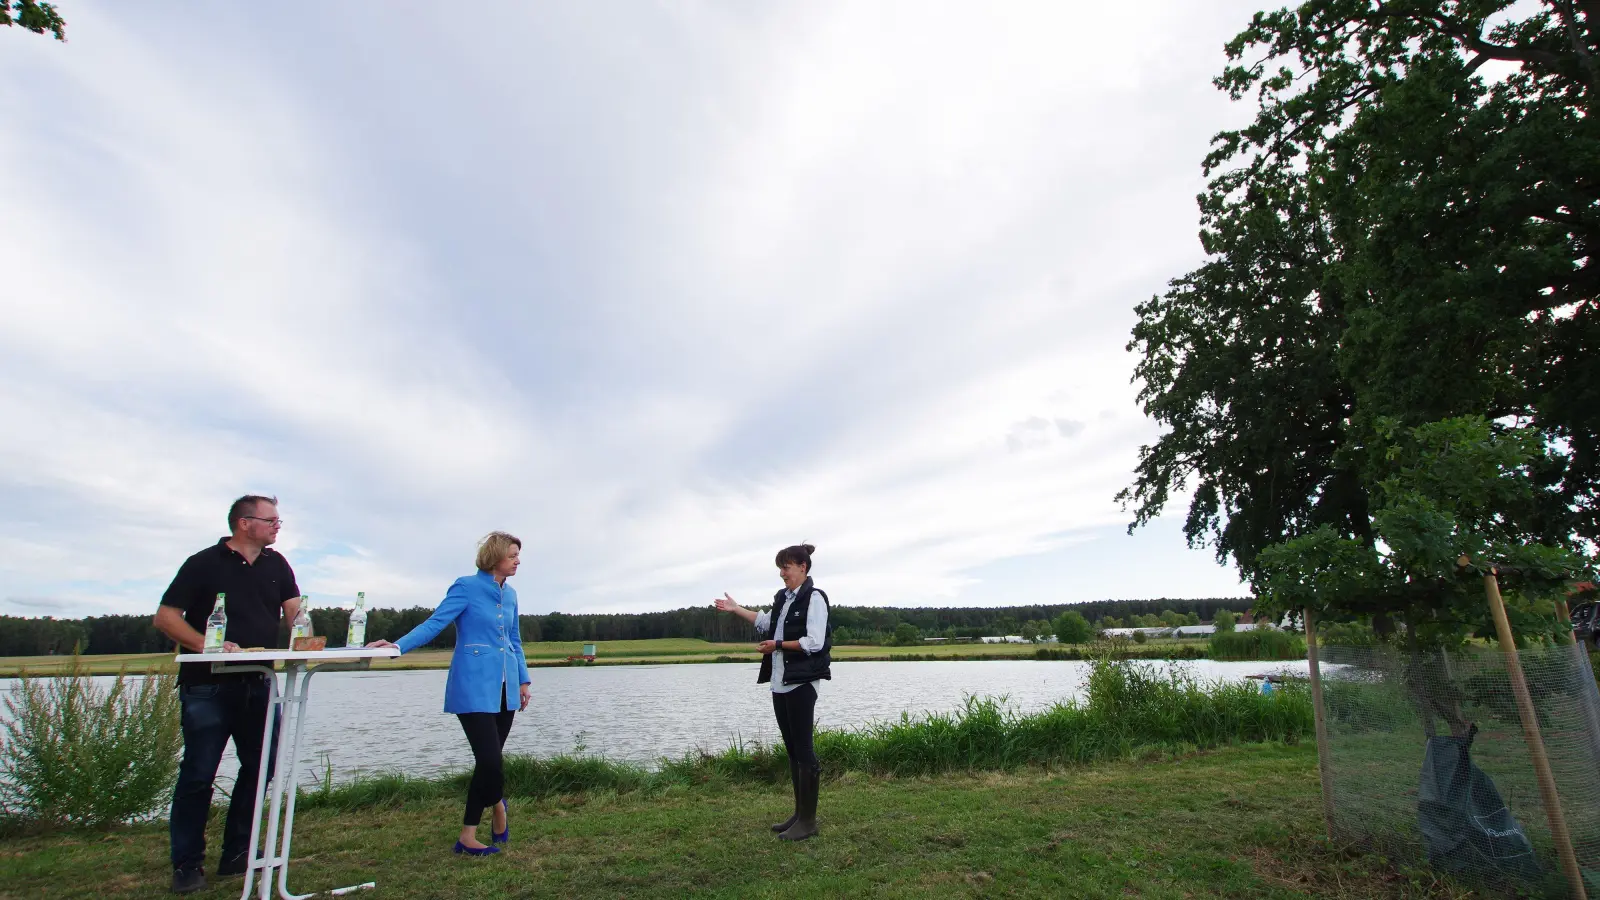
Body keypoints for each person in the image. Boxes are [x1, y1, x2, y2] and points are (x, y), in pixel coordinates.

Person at [153, 494, 305, 895]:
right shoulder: (203, 563)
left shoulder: (277, 565)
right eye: (271, 520)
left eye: (278, 520)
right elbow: (166, 618)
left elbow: (296, 614)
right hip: (208, 685)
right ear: (244, 523)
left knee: (260, 768)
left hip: (260, 682)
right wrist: (208, 646)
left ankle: (238, 852)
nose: (277, 526)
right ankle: (187, 864)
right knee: (198, 774)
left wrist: (306, 634)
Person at [367, 531, 532, 855]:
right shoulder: (465, 587)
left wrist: (523, 680)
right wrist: (397, 646)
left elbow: (514, 640)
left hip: (506, 687)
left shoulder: (511, 594)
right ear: (495, 556)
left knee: (489, 763)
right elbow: (435, 623)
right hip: (472, 685)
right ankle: (494, 809)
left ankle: (471, 832)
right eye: (512, 555)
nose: (518, 561)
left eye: (518, 555)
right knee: (490, 761)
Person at [713, 543, 832, 841]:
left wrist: (777, 645)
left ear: (803, 567)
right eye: (780, 568)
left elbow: (814, 642)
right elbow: (766, 622)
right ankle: (799, 814)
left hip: (802, 683)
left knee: (804, 750)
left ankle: (809, 821)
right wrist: (736, 609)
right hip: (780, 682)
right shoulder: (783, 598)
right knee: (792, 751)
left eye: (786, 567)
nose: (782, 573)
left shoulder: (815, 598)